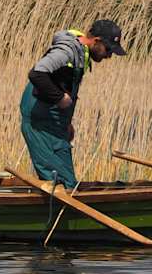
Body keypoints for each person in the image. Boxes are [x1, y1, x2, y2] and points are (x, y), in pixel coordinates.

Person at [20, 19, 126, 188]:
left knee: (67, 182)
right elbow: (37, 73)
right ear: (96, 40)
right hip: (40, 122)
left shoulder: (81, 54)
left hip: (55, 124)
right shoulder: (67, 51)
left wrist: (66, 123)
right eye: (108, 49)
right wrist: (59, 98)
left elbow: (65, 85)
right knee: (58, 182)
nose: (109, 55)